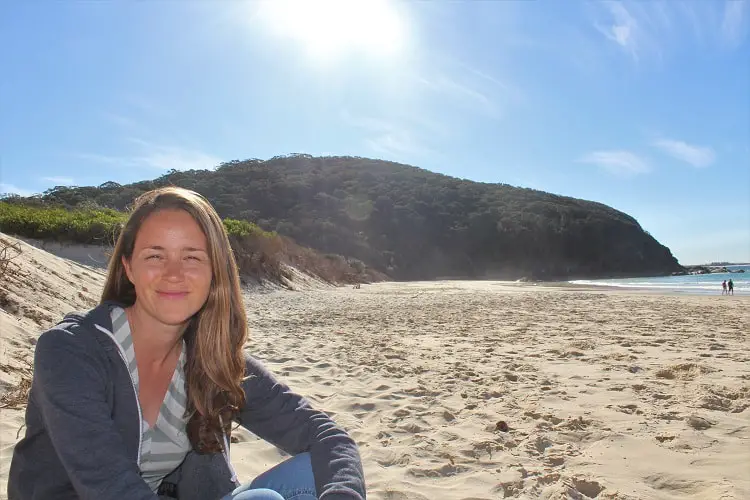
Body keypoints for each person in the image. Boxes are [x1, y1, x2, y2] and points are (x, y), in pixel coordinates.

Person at [8, 187, 365, 500]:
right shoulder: (71, 352)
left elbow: (329, 438)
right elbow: (110, 488)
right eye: (155, 255)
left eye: (192, 256)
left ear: (215, 272)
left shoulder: (213, 362)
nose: (173, 273)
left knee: (310, 475)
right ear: (129, 267)